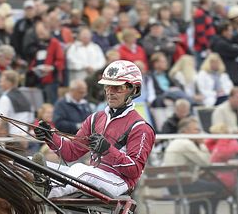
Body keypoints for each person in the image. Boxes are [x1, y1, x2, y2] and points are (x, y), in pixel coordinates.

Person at [35, 60, 156, 200]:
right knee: (30, 162)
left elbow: (135, 170)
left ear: (134, 90)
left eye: (118, 87)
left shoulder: (141, 127)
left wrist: (107, 149)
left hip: (119, 183)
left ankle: (45, 193)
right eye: (107, 86)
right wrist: (50, 136)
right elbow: (71, 153)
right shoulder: (95, 118)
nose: (110, 92)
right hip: (93, 174)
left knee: (81, 170)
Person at [162, 117, 226, 214]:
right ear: (185, 131)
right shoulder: (186, 143)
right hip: (180, 185)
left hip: (174, 184)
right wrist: (202, 144)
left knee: (201, 184)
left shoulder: (177, 141)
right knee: (217, 187)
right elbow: (206, 162)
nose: (199, 133)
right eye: (196, 130)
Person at [0, 70, 33, 137]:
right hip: (25, 139)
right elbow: (30, 120)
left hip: (12, 139)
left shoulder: (5, 98)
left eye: (1, 81)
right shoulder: (26, 99)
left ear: (9, 83)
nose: (0, 84)